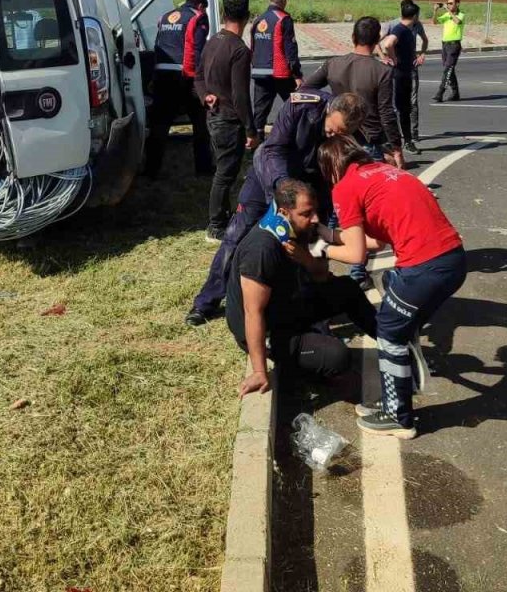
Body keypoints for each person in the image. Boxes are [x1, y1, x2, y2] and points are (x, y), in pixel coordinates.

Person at [317, 136, 469, 439]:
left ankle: (398, 416)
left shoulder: (345, 187)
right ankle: (402, 361)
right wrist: (329, 234)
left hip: (424, 267)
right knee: (391, 290)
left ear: (331, 167)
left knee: (388, 331)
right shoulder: (389, 172)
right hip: (453, 259)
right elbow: (377, 241)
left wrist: (317, 246)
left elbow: (356, 254)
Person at [187, 91, 366, 325]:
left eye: (344, 133)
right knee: (236, 236)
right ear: (331, 109)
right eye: (334, 129)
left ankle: (310, 307)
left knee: (311, 245)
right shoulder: (302, 106)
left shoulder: (352, 131)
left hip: (312, 188)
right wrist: (281, 187)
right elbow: (274, 149)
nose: (335, 135)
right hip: (270, 177)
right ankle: (206, 302)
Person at [230, 179, 378, 396]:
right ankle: (304, 374)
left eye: (315, 212)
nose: (315, 219)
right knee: (337, 356)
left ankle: (392, 341)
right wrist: (259, 370)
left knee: (348, 288)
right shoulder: (261, 249)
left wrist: (306, 260)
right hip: (268, 330)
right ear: (284, 211)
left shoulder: (297, 229)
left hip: (287, 308)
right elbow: (253, 313)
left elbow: (321, 278)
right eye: (307, 213)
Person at [303, 16, 406, 285]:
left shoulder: (334, 63)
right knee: (365, 210)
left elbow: (306, 87)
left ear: (353, 37)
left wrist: (330, 107)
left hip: (336, 144)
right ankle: (358, 269)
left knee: (339, 204)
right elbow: (386, 113)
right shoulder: (381, 71)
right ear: (377, 41)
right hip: (366, 144)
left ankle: (325, 257)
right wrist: (396, 146)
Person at [196, 0, 259, 241]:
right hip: (228, 120)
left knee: (224, 171)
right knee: (225, 174)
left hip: (214, 115)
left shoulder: (214, 40)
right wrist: (251, 129)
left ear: (223, 13)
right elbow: (241, 96)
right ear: (247, 16)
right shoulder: (240, 50)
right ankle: (216, 226)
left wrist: (204, 96)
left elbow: (198, 76)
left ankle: (222, 215)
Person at [144, 0, 212, 178]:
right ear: (200, 6)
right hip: (185, 76)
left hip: (162, 75)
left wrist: (153, 76)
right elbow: (198, 50)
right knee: (200, 122)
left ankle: (151, 169)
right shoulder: (198, 17)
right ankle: (204, 167)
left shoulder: (166, 17)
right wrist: (202, 81)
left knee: (160, 124)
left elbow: (158, 45)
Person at [250, 0, 303, 132]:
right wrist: (297, 74)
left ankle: (256, 149)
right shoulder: (284, 19)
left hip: (260, 73)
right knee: (297, 107)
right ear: (285, 0)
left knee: (259, 115)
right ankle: (297, 141)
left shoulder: (258, 20)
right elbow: (290, 50)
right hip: (280, 73)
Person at [379, 1, 422, 154]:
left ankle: (405, 140)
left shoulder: (405, 29)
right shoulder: (401, 29)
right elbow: (388, 44)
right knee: (400, 109)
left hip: (405, 74)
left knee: (404, 109)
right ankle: (401, 142)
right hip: (400, 75)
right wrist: (393, 58)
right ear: (415, 16)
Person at [432, 0, 465, 102]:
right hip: (445, 45)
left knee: (447, 69)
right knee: (449, 70)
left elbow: (457, 21)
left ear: (457, 4)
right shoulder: (446, 15)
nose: (449, 5)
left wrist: (447, 9)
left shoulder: (461, 15)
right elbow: (435, 22)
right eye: (448, 3)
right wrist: (435, 11)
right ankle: (456, 93)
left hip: (454, 45)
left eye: (451, 3)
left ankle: (440, 93)